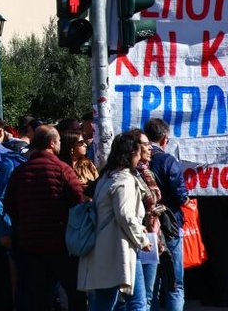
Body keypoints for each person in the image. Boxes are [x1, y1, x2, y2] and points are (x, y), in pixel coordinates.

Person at [3, 125, 85, 311]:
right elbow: (79, 201)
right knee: (74, 292)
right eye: (59, 141)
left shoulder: (20, 172)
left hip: (31, 243)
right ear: (51, 143)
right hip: (61, 242)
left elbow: (9, 205)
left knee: (40, 296)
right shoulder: (62, 169)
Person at [78, 131, 153, 310]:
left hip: (105, 248)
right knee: (137, 303)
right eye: (137, 151)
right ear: (130, 154)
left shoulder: (106, 176)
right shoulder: (124, 179)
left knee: (104, 301)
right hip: (120, 248)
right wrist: (142, 240)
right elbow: (125, 215)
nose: (140, 155)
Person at [145, 118, 188, 311]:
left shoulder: (138, 162)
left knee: (150, 283)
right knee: (174, 282)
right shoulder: (167, 160)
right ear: (164, 139)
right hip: (169, 225)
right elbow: (180, 195)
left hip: (146, 227)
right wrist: (186, 200)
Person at [134, 129, 165, 311]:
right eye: (145, 145)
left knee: (148, 293)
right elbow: (148, 201)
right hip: (142, 236)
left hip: (152, 234)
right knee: (142, 296)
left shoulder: (146, 171)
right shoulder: (135, 174)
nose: (150, 148)